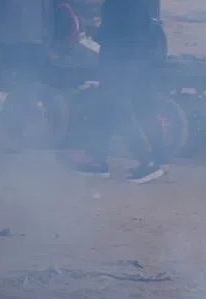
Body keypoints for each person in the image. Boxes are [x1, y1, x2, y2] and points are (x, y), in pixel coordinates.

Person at [72, 0, 168, 183]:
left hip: (124, 59)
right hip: (135, 58)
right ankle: (100, 159)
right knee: (131, 107)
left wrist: (97, 32)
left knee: (116, 107)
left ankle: (145, 159)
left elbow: (124, 31)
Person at [0, 0, 55, 146]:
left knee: (25, 87)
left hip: (28, 43)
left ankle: (17, 131)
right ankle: (16, 131)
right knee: (23, 87)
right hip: (21, 43)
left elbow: (49, 16)